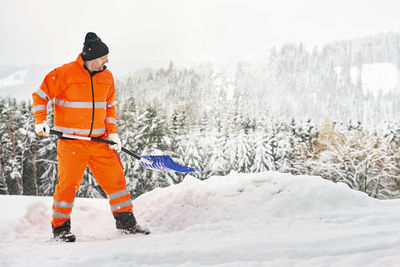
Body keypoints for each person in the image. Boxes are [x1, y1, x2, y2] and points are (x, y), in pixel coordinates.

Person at [32, 32, 150, 242]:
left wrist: (112, 133)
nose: (107, 61)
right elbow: (40, 96)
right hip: (71, 142)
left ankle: (125, 222)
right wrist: (40, 120)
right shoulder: (63, 73)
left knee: (116, 181)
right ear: (91, 57)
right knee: (67, 186)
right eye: (103, 58)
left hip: (99, 141)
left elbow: (110, 107)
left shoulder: (107, 76)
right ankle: (60, 229)